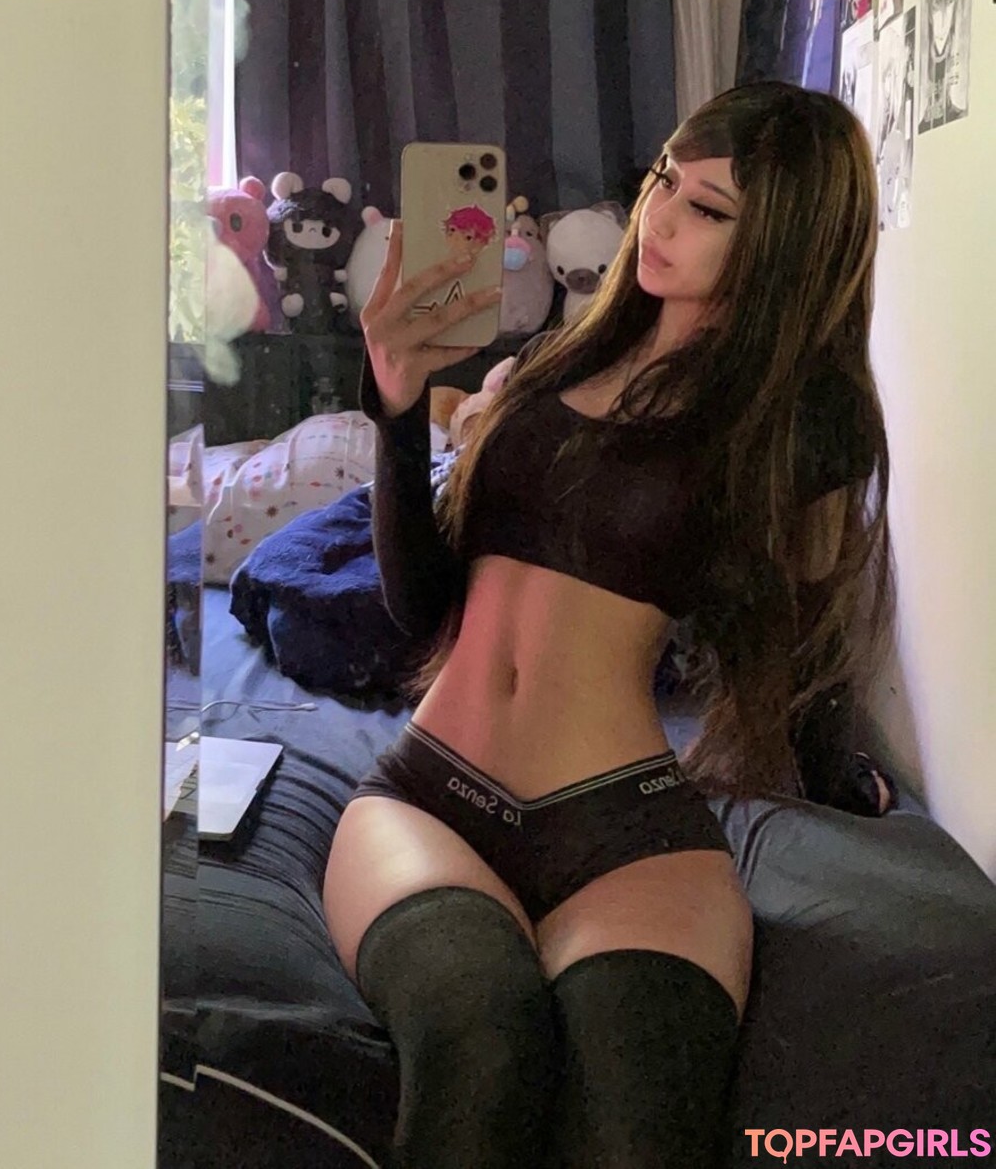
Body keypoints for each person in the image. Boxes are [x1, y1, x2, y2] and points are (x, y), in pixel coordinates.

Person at [323, 81, 894, 1168]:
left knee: (638, 1114)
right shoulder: (554, 362)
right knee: (479, 1037)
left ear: (785, 243)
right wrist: (395, 406)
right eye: (663, 181)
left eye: (707, 208)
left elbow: (801, 635)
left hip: (626, 829)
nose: (658, 218)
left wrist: (833, 769)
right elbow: (419, 608)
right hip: (431, 799)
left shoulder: (793, 426)